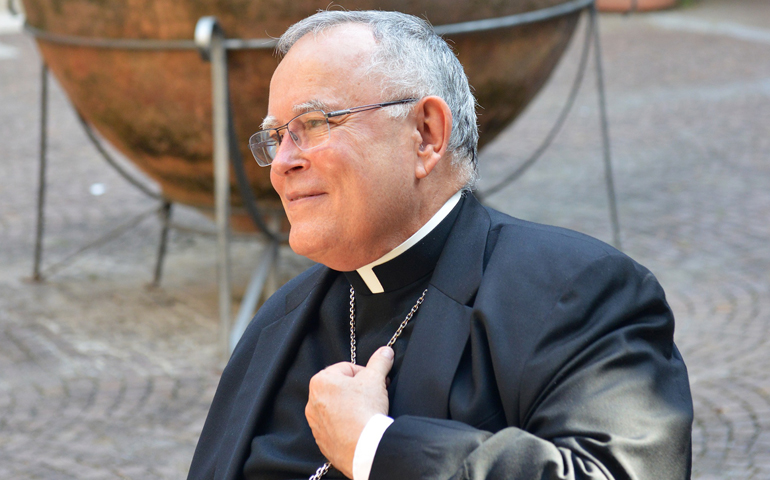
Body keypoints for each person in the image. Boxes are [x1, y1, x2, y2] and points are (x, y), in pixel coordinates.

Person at [188, 10, 693, 480]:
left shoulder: (577, 290)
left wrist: (375, 445)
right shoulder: (280, 320)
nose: (283, 162)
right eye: (277, 136)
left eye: (314, 125)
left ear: (426, 135)